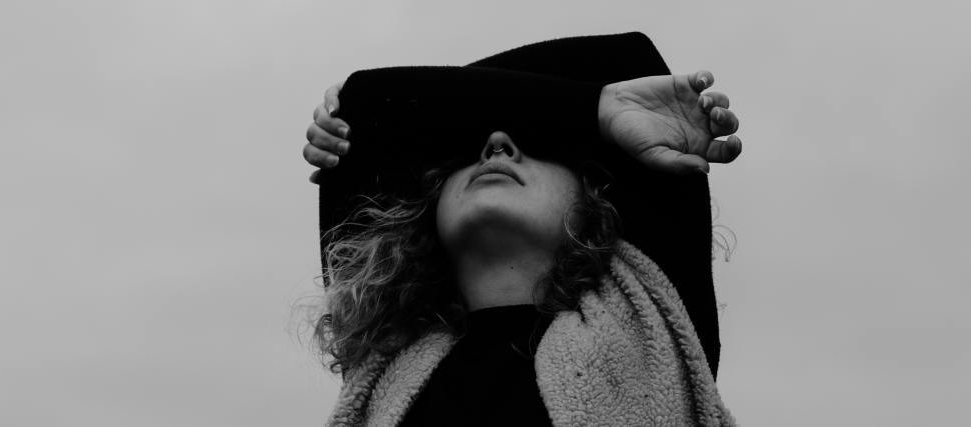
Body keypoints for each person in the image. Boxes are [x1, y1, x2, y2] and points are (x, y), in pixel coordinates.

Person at [303, 33, 743, 426]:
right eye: (467, 154)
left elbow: (625, 58)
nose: (496, 146)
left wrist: (596, 112)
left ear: (597, 201)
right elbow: (367, 106)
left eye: (537, 147)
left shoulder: (650, 323)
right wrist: (584, 108)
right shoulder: (388, 352)